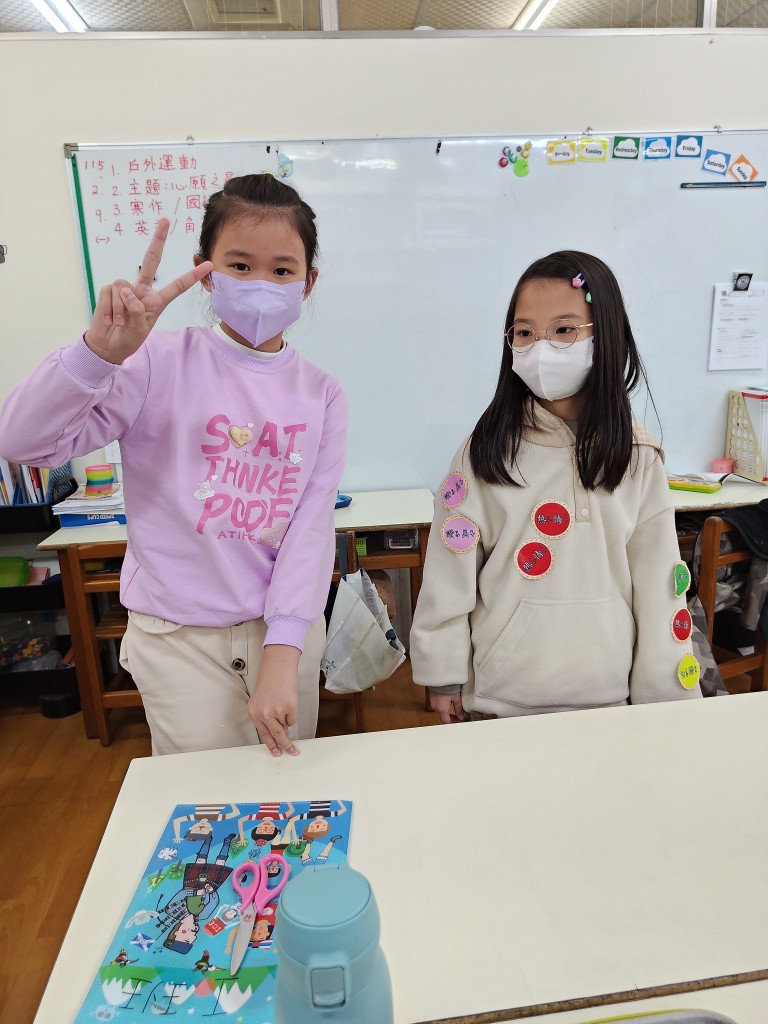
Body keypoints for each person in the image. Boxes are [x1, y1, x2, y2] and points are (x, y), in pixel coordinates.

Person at [0, 174, 348, 756]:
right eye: (240, 265)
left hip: (282, 632)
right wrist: (96, 356)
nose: (261, 284)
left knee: (282, 787)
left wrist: (285, 649)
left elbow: (310, 528)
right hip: (178, 638)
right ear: (205, 271)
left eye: (282, 270)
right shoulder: (152, 362)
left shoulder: (323, 393)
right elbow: (22, 442)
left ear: (307, 282)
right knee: (202, 796)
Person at [410, 250, 703, 722]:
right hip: (499, 702)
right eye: (525, 332)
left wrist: (666, 702)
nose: (540, 348)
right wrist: (443, 674)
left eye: (564, 330)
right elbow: (449, 571)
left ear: (607, 336)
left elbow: (658, 586)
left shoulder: (637, 454)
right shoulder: (485, 451)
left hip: (609, 702)